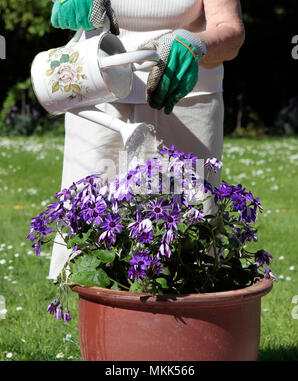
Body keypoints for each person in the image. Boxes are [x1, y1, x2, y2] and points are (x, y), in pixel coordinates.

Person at [48, 0, 245, 280]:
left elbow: (231, 33)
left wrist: (193, 43)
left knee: (189, 242)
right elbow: (63, 11)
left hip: (182, 94)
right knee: (90, 245)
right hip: (97, 90)